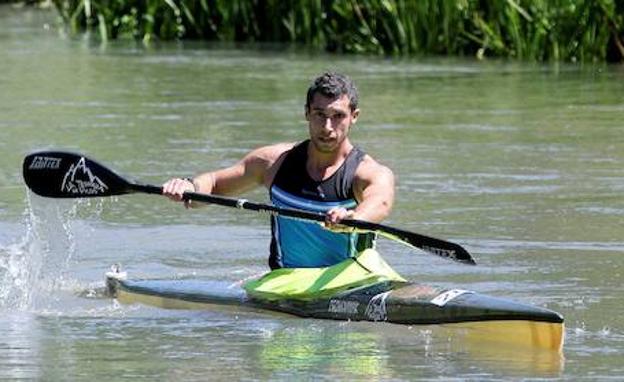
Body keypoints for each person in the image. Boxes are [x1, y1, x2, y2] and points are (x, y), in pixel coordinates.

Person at [163, 72, 395, 269]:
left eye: (338, 117)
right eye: (319, 115)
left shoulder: (368, 173)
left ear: (354, 117)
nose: (327, 127)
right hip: (284, 285)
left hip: (353, 283)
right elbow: (213, 184)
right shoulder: (273, 162)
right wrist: (189, 188)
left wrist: (353, 218)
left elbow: (380, 203)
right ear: (306, 113)